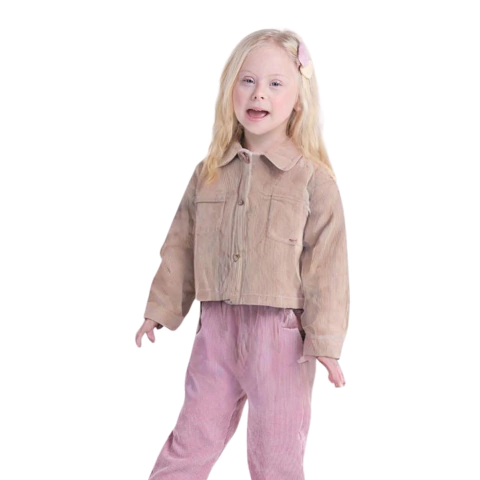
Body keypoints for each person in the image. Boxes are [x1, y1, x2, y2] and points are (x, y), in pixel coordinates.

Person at [135, 28, 350, 480]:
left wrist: (326, 343)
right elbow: (181, 245)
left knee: (276, 457)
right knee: (189, 443)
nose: (259, 93)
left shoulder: (314, 180)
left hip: (282, 340)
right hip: (215, 332)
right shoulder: (209, 173)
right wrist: (160, 309)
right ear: (230, 88)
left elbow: (327, 268)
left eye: (275, 83)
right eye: (247, 80)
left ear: (298, 99)